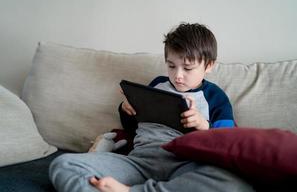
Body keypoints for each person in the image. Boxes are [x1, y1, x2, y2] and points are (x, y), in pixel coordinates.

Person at [49, 23, 254, 192]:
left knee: (234, 184)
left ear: (209, 66)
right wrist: (127, 109)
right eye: (171, 66)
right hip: (140, 162)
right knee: (64, 165)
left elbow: (230, 141)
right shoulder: (157, 84)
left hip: (186, 165)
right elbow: (134, 128)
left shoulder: (215, 97)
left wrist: (203, 125)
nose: (178, 75)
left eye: (188, 68)